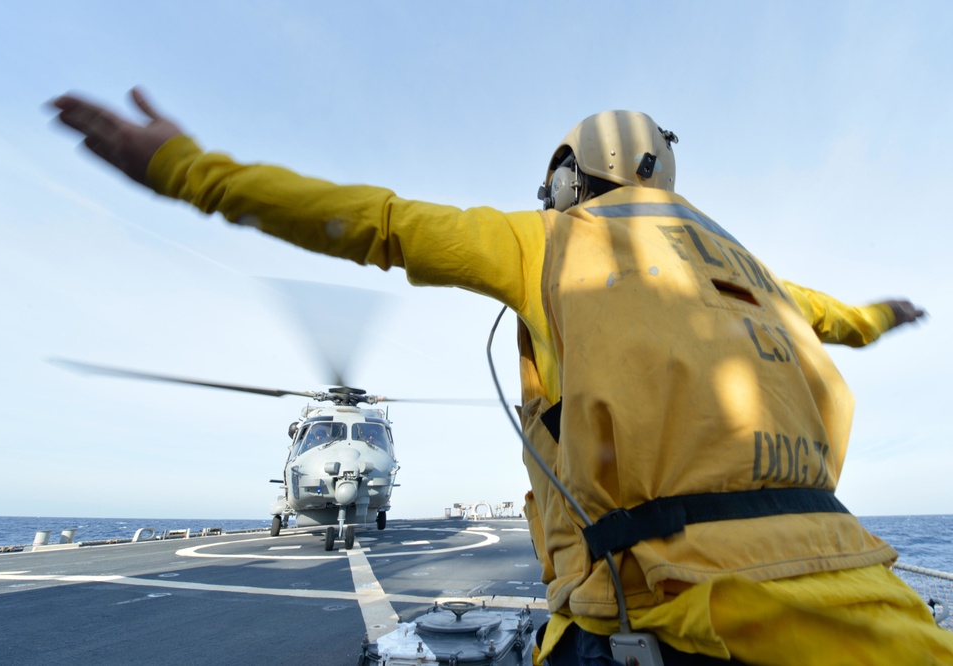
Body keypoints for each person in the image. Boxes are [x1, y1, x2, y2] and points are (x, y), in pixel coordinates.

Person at [50, 90, 948, 665]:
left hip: (674, 615)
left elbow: (380, 222)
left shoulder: (552, 240)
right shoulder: (756, 273)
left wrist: (184, 171)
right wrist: (883, 316)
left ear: (568, 175)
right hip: (872, 606)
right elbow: (839, 319)